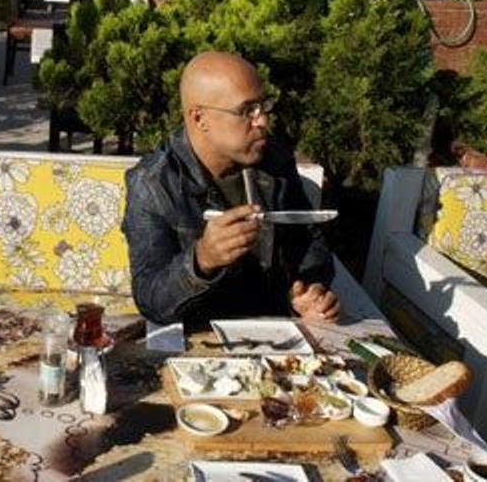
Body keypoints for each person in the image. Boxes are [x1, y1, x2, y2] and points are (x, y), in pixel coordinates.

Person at [122, 51, 339, 328]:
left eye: (263, 106)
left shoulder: (273, 160)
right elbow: (151, 300)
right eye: (247, 110)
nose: (262, 121)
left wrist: (309, 289)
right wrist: (201, 260)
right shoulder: (153, 184)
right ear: (199, 118)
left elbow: (308, 237)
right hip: (196, 339)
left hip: (275, 332)